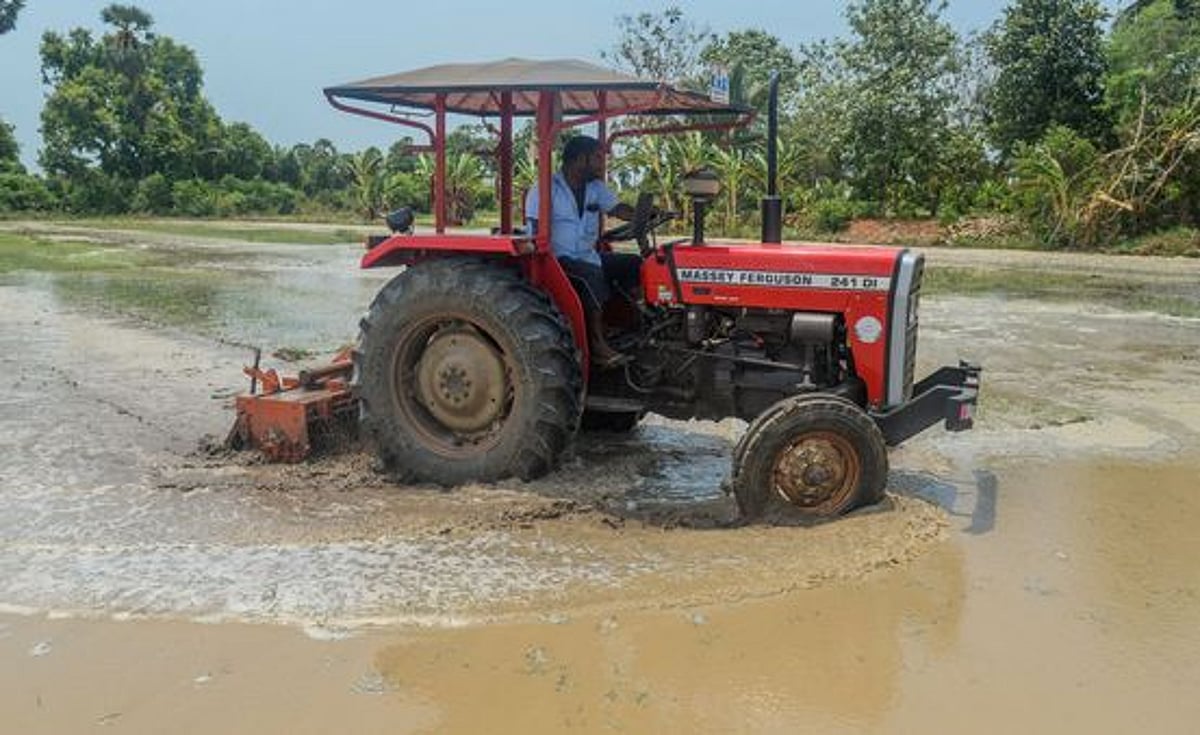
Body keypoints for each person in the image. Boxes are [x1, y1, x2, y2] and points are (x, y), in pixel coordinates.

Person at [525, 135, 641, 369]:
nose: (602, 164)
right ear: (580, 160)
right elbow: (534, 230)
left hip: (587, 255)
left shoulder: (595, 188)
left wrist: (643, 214)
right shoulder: (546, 189)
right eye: (597, 158)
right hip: (556, 260)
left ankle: (634, 324)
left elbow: (618, 209)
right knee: (592, 275)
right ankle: (597, 345)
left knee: (634, 263)